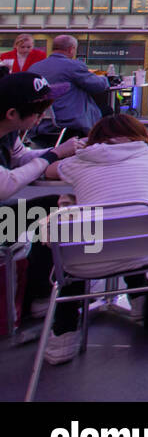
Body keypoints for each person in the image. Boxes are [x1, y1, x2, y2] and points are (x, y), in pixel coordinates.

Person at [39, 114, 148, 365]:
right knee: (131, 232)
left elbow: (47, 171)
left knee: (86, 236)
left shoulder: (78, 162)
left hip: (84, 263)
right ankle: (141, 305)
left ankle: (63, 340)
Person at [0, 74, 82, 323]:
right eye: (37, 111)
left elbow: (23, 158)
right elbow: (6, 185)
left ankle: (38, 295)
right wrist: (53, 155)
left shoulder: (9, 133)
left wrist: (63, 151)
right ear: (13, 113)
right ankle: (39, 297)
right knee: (57, 211)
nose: (42, 116)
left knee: (58, 206)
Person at [29, 35, 109, 137]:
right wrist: (103, 77)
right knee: (106, 110)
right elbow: (99, 86)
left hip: (40, 121)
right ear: (71, 49)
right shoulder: (73, 65)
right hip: (68, 121)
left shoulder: (34, 67)